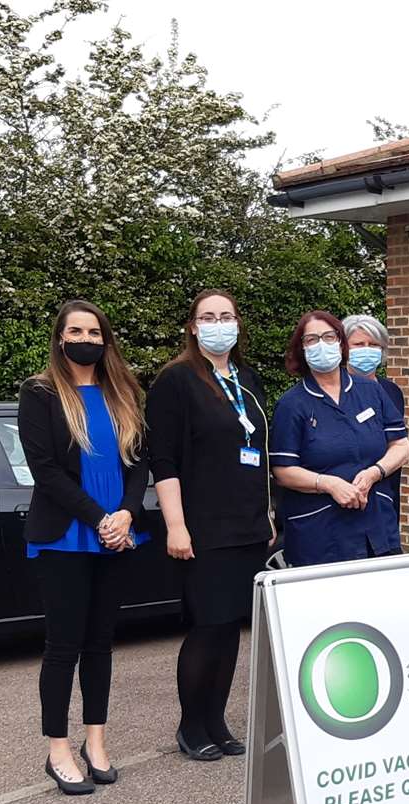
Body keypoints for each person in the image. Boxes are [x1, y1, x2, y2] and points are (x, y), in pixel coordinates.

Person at [19, 300, 148, 795]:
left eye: (94, 331)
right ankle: (58, 749)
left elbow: (139, 461)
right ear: (60, 337)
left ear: (105, 338)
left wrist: (127, 514)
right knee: (63, 646)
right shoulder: (41, 393)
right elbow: (45, 470)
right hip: (66, 535)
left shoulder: (123, 392)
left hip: (118, 531)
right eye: (75, 330)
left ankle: (97, 741)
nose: (85, 338)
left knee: (100, 644)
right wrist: (99, 518)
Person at [147, 289, 274, 762]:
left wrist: (267, 514)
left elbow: (258, 454)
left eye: (227, 316)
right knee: (207, 625)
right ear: (194, 327)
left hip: (247, 526)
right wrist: (175, 526)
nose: (219, 323)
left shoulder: (248, 379)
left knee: (229, 629)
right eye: (208, 316)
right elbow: (164, 462)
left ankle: (217, 720)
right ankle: (190, 724)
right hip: (203, 527)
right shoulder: (176, 381)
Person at [271, 311, 409, 566]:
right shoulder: (292, 404)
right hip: (321, 535)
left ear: (340, 343)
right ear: (301, 349)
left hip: (377, 526)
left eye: (328, 336)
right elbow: (282, 470)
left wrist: (375, 472)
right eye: (311, 340)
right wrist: (329, 484)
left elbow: (400, 445)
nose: (321, 344)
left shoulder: (371, 391)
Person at [343, 314, 407, 533]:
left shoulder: (391, 391)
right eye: (359, 344)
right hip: (349, 493)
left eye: (373, 345)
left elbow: (398, 441)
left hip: (387, 489)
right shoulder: (337, 391)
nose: (366, 350)